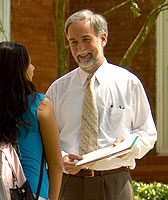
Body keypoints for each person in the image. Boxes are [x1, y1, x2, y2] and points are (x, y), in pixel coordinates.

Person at [46, 9, 158, 200]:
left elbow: (147, 133)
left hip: (115, 183)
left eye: (86, 39)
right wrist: (61, 157)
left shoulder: (128, 83)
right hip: (70, 186)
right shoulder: (58, 90)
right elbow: (45, 138)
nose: (80, 48)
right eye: (74, 42)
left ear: (103, 39)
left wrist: (130, 145)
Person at [0, 41, 63, 200]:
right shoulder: (39, 105)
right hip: (31, 192)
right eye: (29, 63)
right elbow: (56, 165)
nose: (33, 68)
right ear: (19, 70)